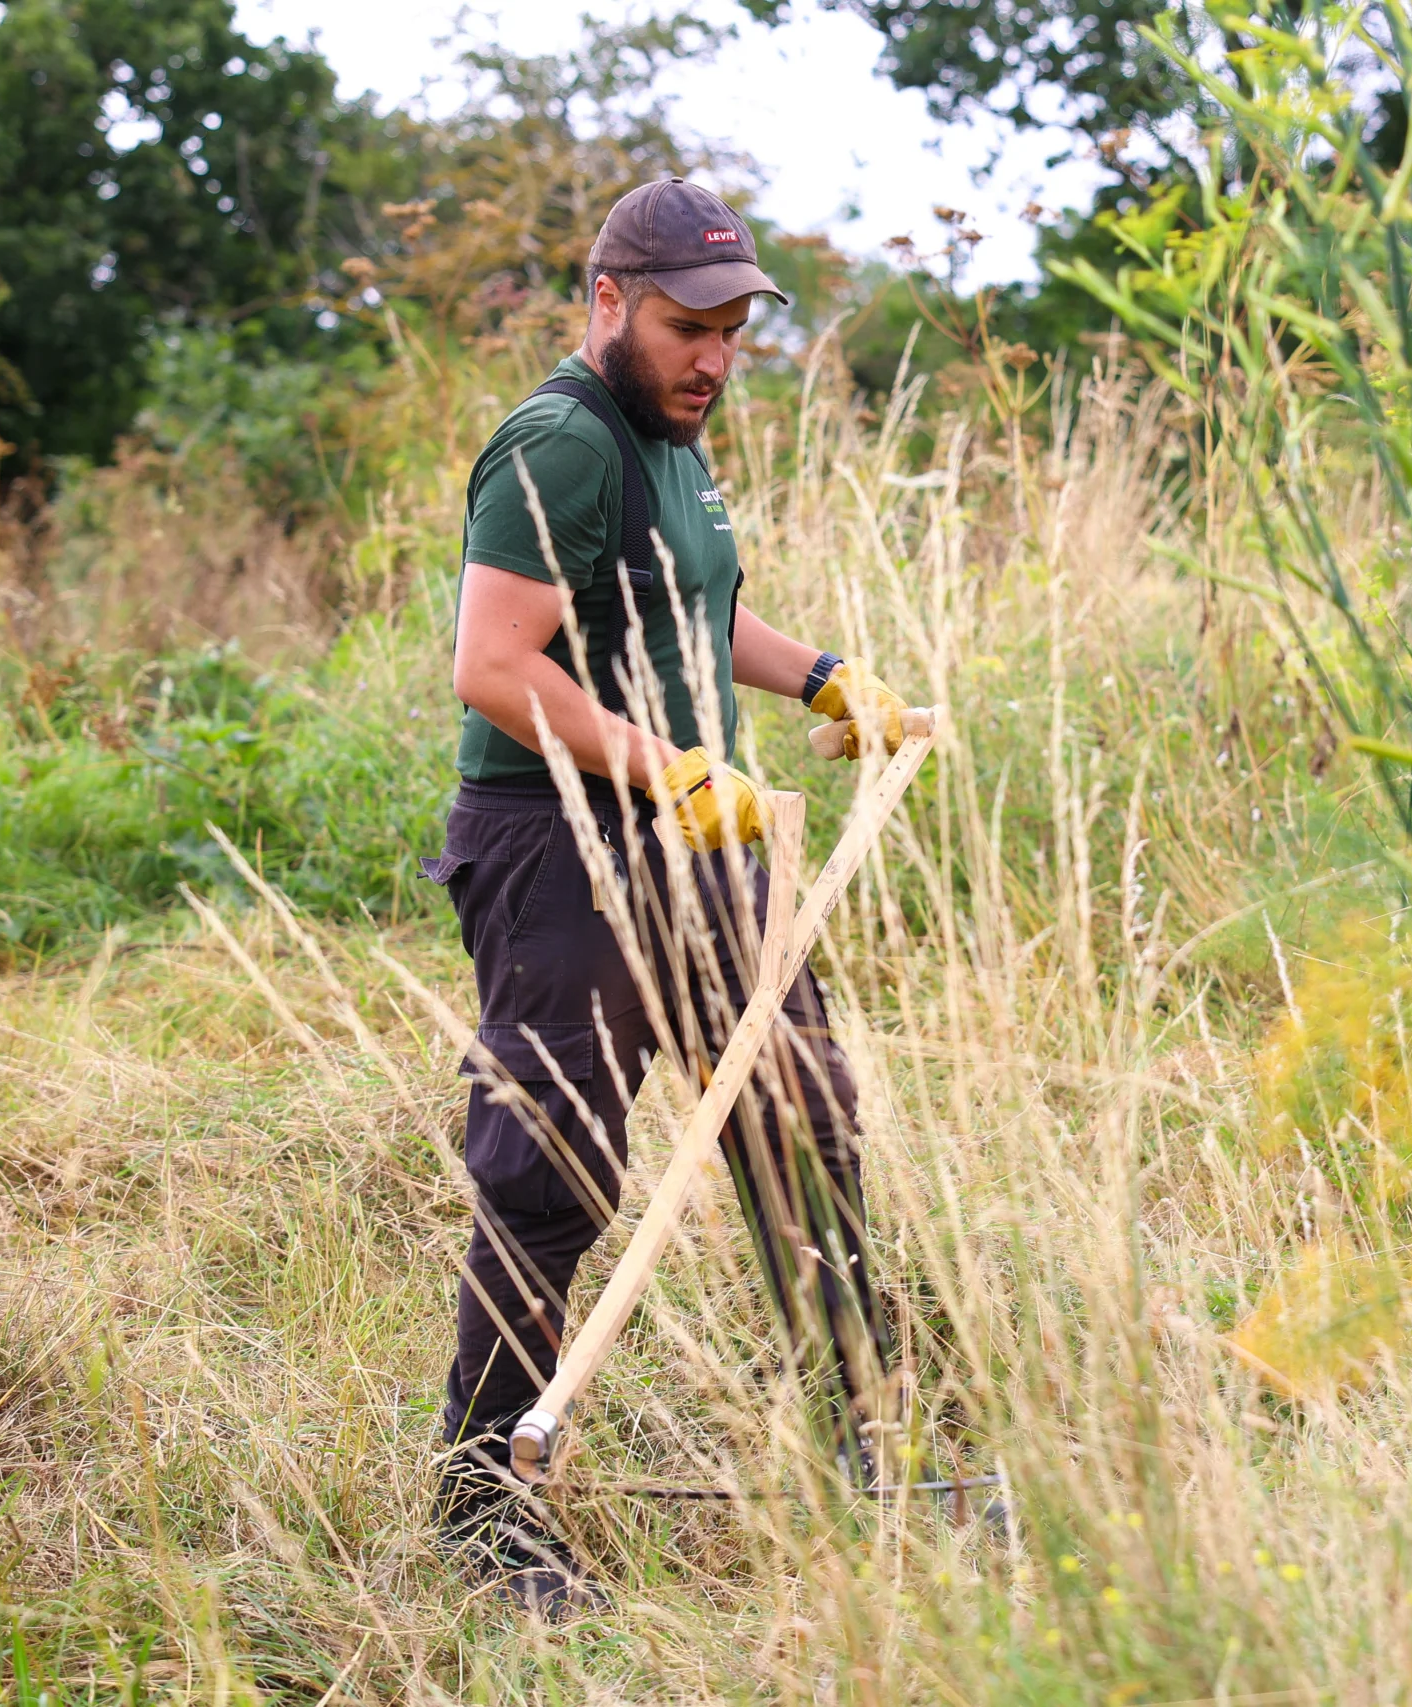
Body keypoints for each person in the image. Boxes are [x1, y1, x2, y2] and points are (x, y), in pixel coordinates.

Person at [420, 176, 912, 1617]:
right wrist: (660, 769)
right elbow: (495, 664)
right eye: (688, 327)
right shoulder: (561, 439)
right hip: (562, 841)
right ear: (608, 303)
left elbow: (690, 595)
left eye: (733, 331)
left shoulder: (673, 438)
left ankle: (856, 1444)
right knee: (552, 1163)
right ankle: (479, 1499)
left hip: (703, 834)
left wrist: (821, 674)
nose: (712, 358)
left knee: (802, 1120)